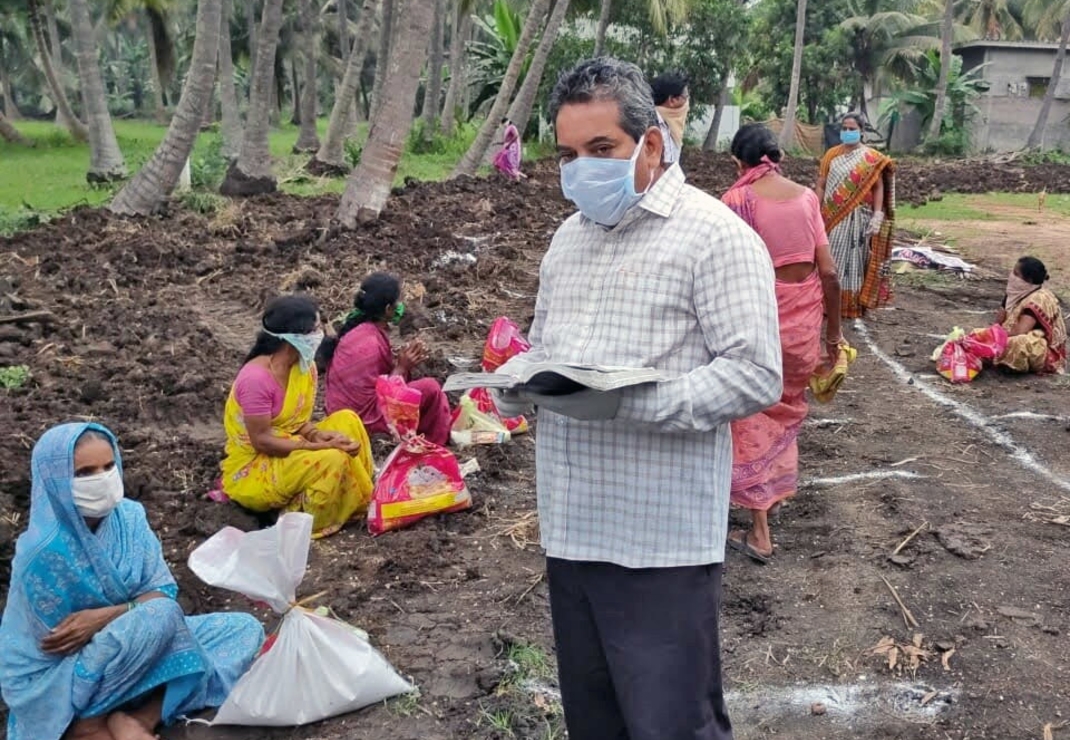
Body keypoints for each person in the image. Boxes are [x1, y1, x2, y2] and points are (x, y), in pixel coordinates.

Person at [494, 58, 782, 740]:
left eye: (601, 150)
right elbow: (546, 346)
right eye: (568, 155)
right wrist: (515, 385)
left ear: (650, 142)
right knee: (594, 718)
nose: (581, 170)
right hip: (572, 521)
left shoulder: (714, 238)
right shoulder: (569, 239)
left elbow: (754, 374)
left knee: (671, 722)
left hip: (658, 537)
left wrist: (624, 401)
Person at [0, 423, 264, 740]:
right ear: (55, 480)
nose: (102, 479)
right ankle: (88, 723)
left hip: (135, 640)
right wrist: (131, 622)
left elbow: (162, 590)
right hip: (61, 675)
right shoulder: (41, 552)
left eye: (109, 466)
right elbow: (60, 641)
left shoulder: (129, 518)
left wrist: (105, 616)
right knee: (160, 617)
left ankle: (139, 718)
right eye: (85, 473)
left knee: (243, 629)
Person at [721, 123, 842, 564]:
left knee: (750, 415)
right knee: (786, 405)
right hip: (803, 328)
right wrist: (835, 334)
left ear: (739, 162)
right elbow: (828, 272)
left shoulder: (735, 202)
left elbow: (725, 275)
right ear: (778, 157)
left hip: (760, 325)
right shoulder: (808, 199)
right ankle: (768, 498)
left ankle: (758, 531)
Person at [221, 294, 374, 538]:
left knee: (347, 420)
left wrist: (319, 434)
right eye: (315, 329)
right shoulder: (256, 379)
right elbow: (262, 441)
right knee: (332, 459)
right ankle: (299, 518)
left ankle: (354, 500)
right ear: (292, 337)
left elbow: (296, 423)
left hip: (287, 448)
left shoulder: (304, 366)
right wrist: (314, 446)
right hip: (256, 465)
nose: (321, 334)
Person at [321, 273, 451, 445]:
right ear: (388, 309)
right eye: (398, 302)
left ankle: (423, 433)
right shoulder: (371, 342)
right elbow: (385, 396)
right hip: (362, 420)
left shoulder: (358, 330)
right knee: (431, 388)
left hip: (339, 414)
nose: (400, 306)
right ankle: (435, 442)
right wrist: (402, 367)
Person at [816, 113, 896, 318]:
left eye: (852, 129)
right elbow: (822, 184)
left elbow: (878, 187)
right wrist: (815, 211)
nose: (848, 132)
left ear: (862, 131)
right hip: (831, 217)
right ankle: (826, 303)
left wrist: (878, 214)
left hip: (858, 218)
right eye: (845, 128)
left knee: (855, 261)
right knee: (830, 259)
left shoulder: (871, 159)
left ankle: (850, 305)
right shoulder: (831, 155)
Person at [995, 256, 1067, 374]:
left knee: (1017, 343)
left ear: (1027, 279)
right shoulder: (1015, 293)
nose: (1011, 276)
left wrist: (995, 337)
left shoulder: (1039, 298)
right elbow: (998, 322)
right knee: (979, 334)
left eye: (1015, 273)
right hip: (1011, 334)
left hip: (1042, 349)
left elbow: (1019, 331)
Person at [651, 71, 689, 166]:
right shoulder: (652, 126)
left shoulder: (672, 127)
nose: (687, 103)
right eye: (686, 97)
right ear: (672, 100)